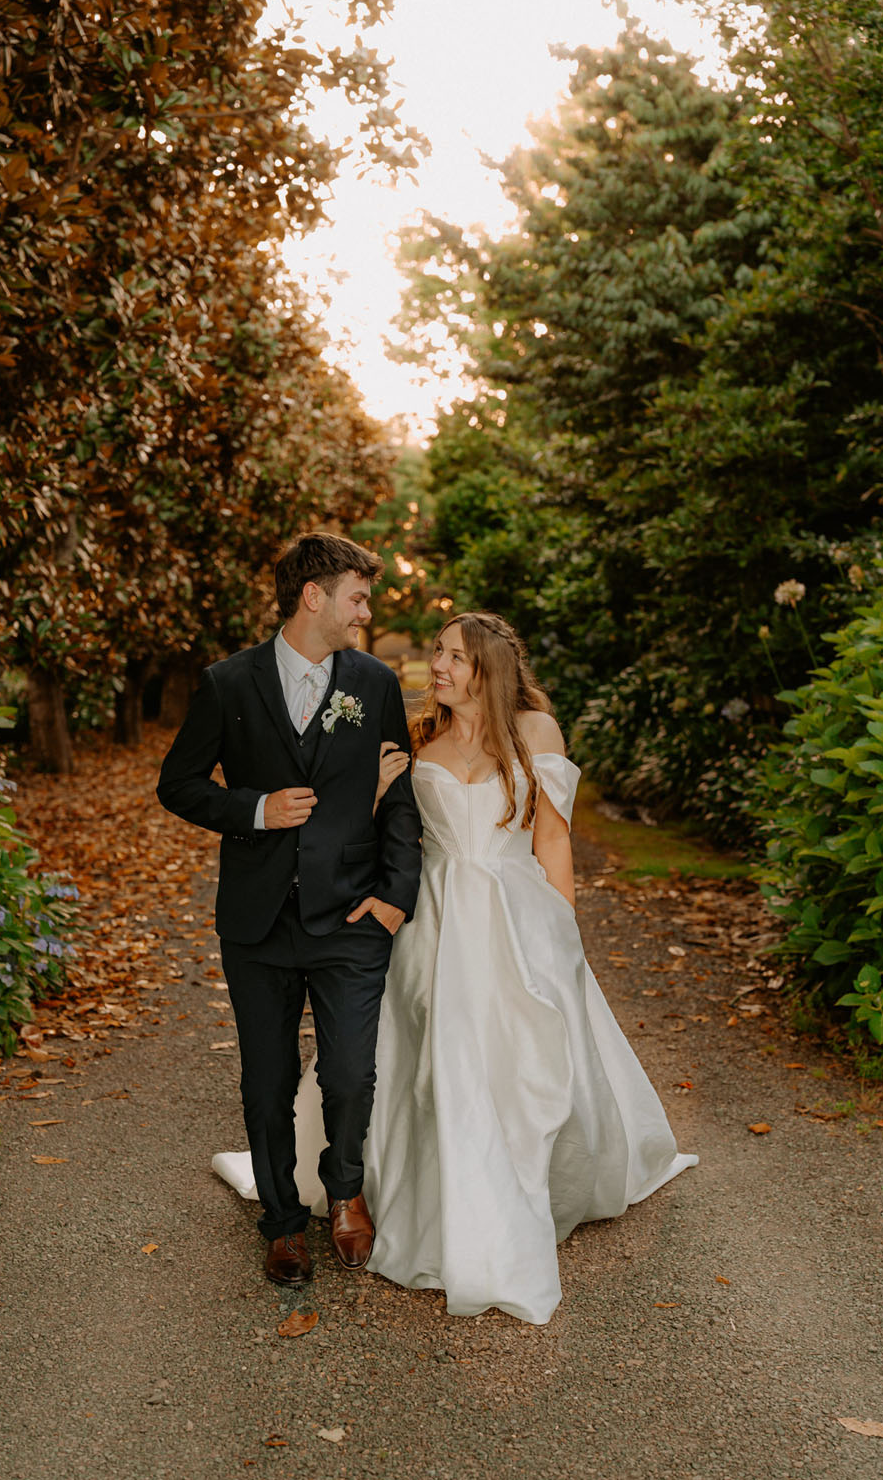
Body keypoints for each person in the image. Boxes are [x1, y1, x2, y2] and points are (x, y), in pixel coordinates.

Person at [214, 610, 697, 1324]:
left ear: (489, 670)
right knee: (432, 1058)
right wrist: (375, 796)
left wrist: (565, 930)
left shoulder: (536, 734)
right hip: (432, 921)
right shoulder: (415, 740)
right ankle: (432, 1197)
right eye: (437, 654)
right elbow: (375, 834)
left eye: (452, 658)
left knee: (521, 1059)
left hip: (514, 915)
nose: (436, 667)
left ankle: (512, 1191)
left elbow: (553, 838)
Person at [157, 533, 422, 1289]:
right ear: (315, 596)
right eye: (358, 598)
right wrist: (253, 808)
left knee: (348, 1073)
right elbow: (178, 784)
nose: (365, 613)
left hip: (352, 917)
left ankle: (344, 1192)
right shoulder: (228, 683)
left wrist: (396, 897)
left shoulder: (373, 683)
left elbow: (398, 799)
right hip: (258, 921)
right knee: (266, 1080)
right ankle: (280, 1223)